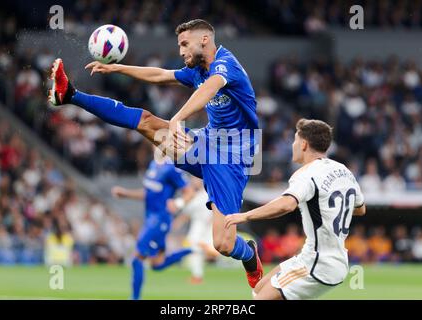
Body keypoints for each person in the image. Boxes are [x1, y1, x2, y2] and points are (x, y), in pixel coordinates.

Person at [48, 19, 263, 287]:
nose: (182, 51)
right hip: (206, 143)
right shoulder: (197, 69)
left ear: (205, 40)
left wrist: (178, 117)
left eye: (185, 44)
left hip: (232, 158)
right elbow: (160, 74)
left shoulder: (224, 64)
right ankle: (70, 94)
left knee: (223, 243)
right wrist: (117, 68)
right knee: (147, 122)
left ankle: (249, 254)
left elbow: (211, 88)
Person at [225, 119, 366, 300]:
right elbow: (360, 209)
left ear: (304, 144)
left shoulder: (306, 174)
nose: (293, 145)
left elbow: (286, 204)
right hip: (328, 258)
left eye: (295, 140)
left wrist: (245, 216)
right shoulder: (344, 171)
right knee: (259, 289)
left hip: (318, 264)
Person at [111, 153, 194, 300]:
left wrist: (178, 203)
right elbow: (148, 193)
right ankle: (189, 251)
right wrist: (126, 193)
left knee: (137, 257)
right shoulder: (153, 164)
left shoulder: (172, 168)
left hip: (160, 219)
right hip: (150, 217)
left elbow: (189, 191)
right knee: (157, 264)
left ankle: (135, 298)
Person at [168, 176, 219, 284]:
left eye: (196, 179)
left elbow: (215, 211)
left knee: (209, 248)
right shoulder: (192, 196)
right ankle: (197, 276)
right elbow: (186, 214)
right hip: (197, 225)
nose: (194, 181)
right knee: (194, 249)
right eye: (192, 179)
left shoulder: (209, 194)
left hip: (209, 226)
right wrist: (176, 223)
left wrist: (213, 222)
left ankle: (210, 251)